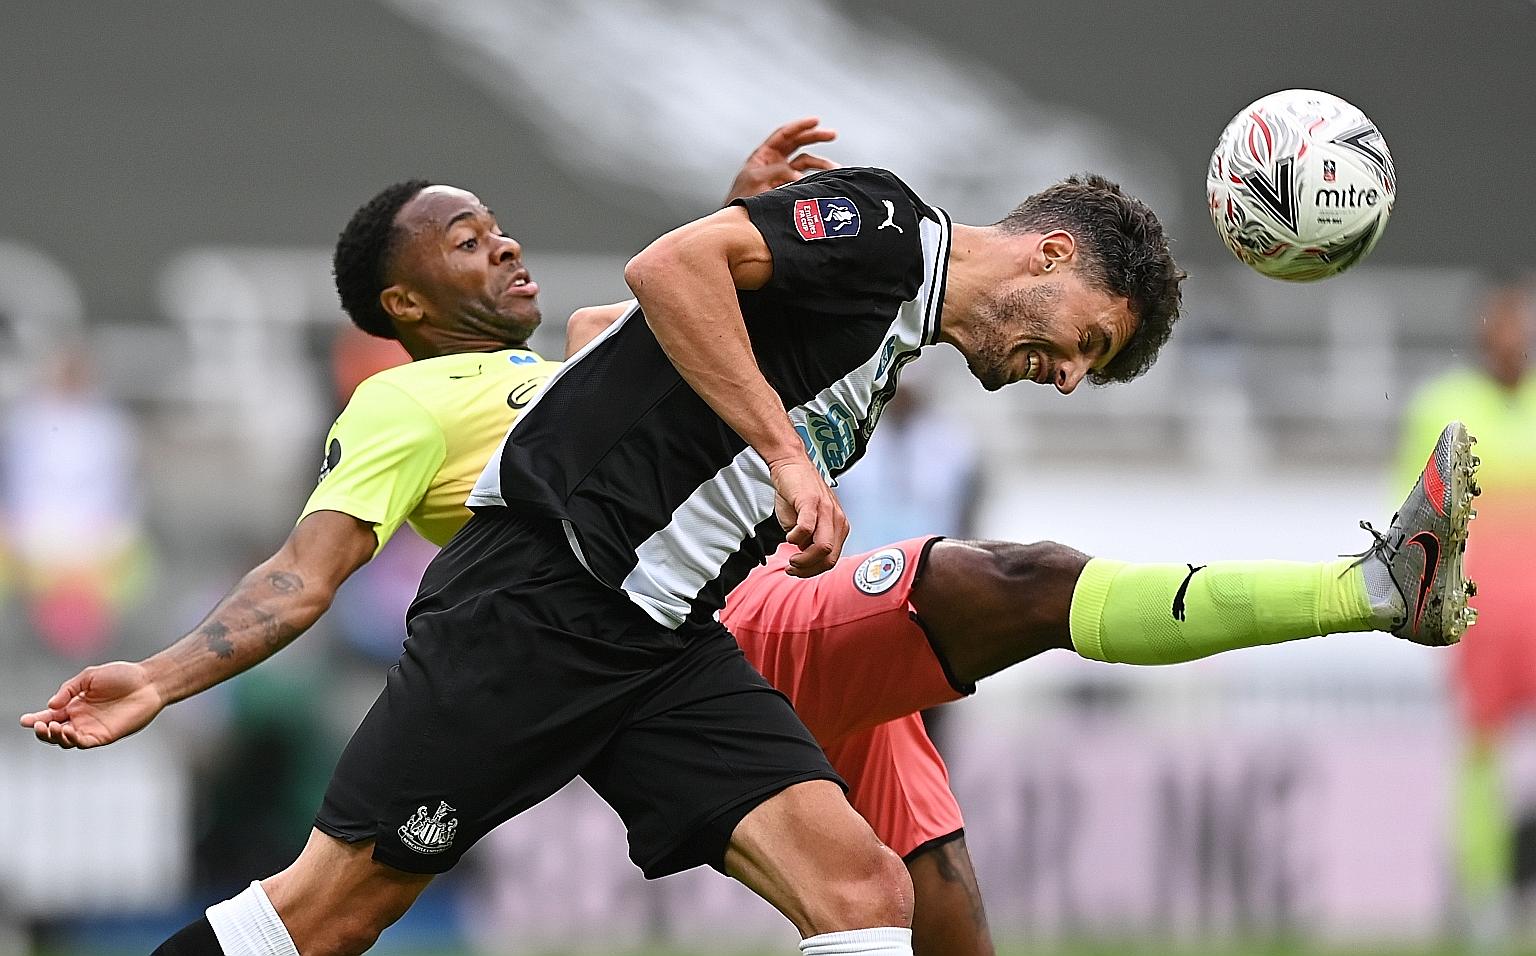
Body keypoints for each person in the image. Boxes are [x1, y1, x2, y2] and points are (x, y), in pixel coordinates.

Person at [22, 126, 1475, 956]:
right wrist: (784, 446)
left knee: (863, 891)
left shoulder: (884, 317)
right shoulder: (894, 231)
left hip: (661, 643)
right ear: (1046, 256)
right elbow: (664, 276)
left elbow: (632, 328)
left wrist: (748, 224)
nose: (1069, 375)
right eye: (1086, 340)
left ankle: (1363, 589)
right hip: (542, 602)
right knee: (329, 915)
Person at [1395, 276, 1536, 941]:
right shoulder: (1441, 407)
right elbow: (1413, 511)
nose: (1511, 334)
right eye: (1500, 321)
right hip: (1477, 620)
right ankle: (1481, 895)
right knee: (1480, 758)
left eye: (1520, 320)